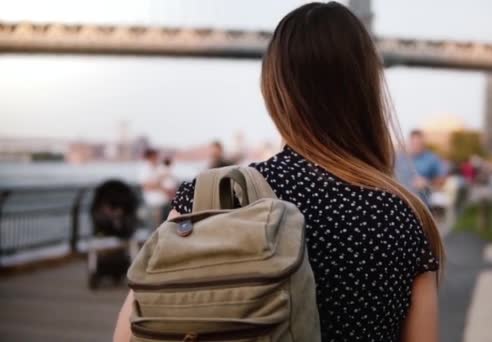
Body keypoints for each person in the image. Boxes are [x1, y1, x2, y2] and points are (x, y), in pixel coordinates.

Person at [114, 3, 443, 341]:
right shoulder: (403, 218)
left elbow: (128, 334)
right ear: (367, 90)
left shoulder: (213, 199)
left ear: (274, 91)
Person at [137, 148, 168, 226]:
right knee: (156, 221)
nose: (157, 158)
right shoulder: (144, 169)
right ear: (150, 157)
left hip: (163, 199)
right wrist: (159, 185)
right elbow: (145, 186)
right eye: (155, 156)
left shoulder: (159, 167)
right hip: (153, 201)